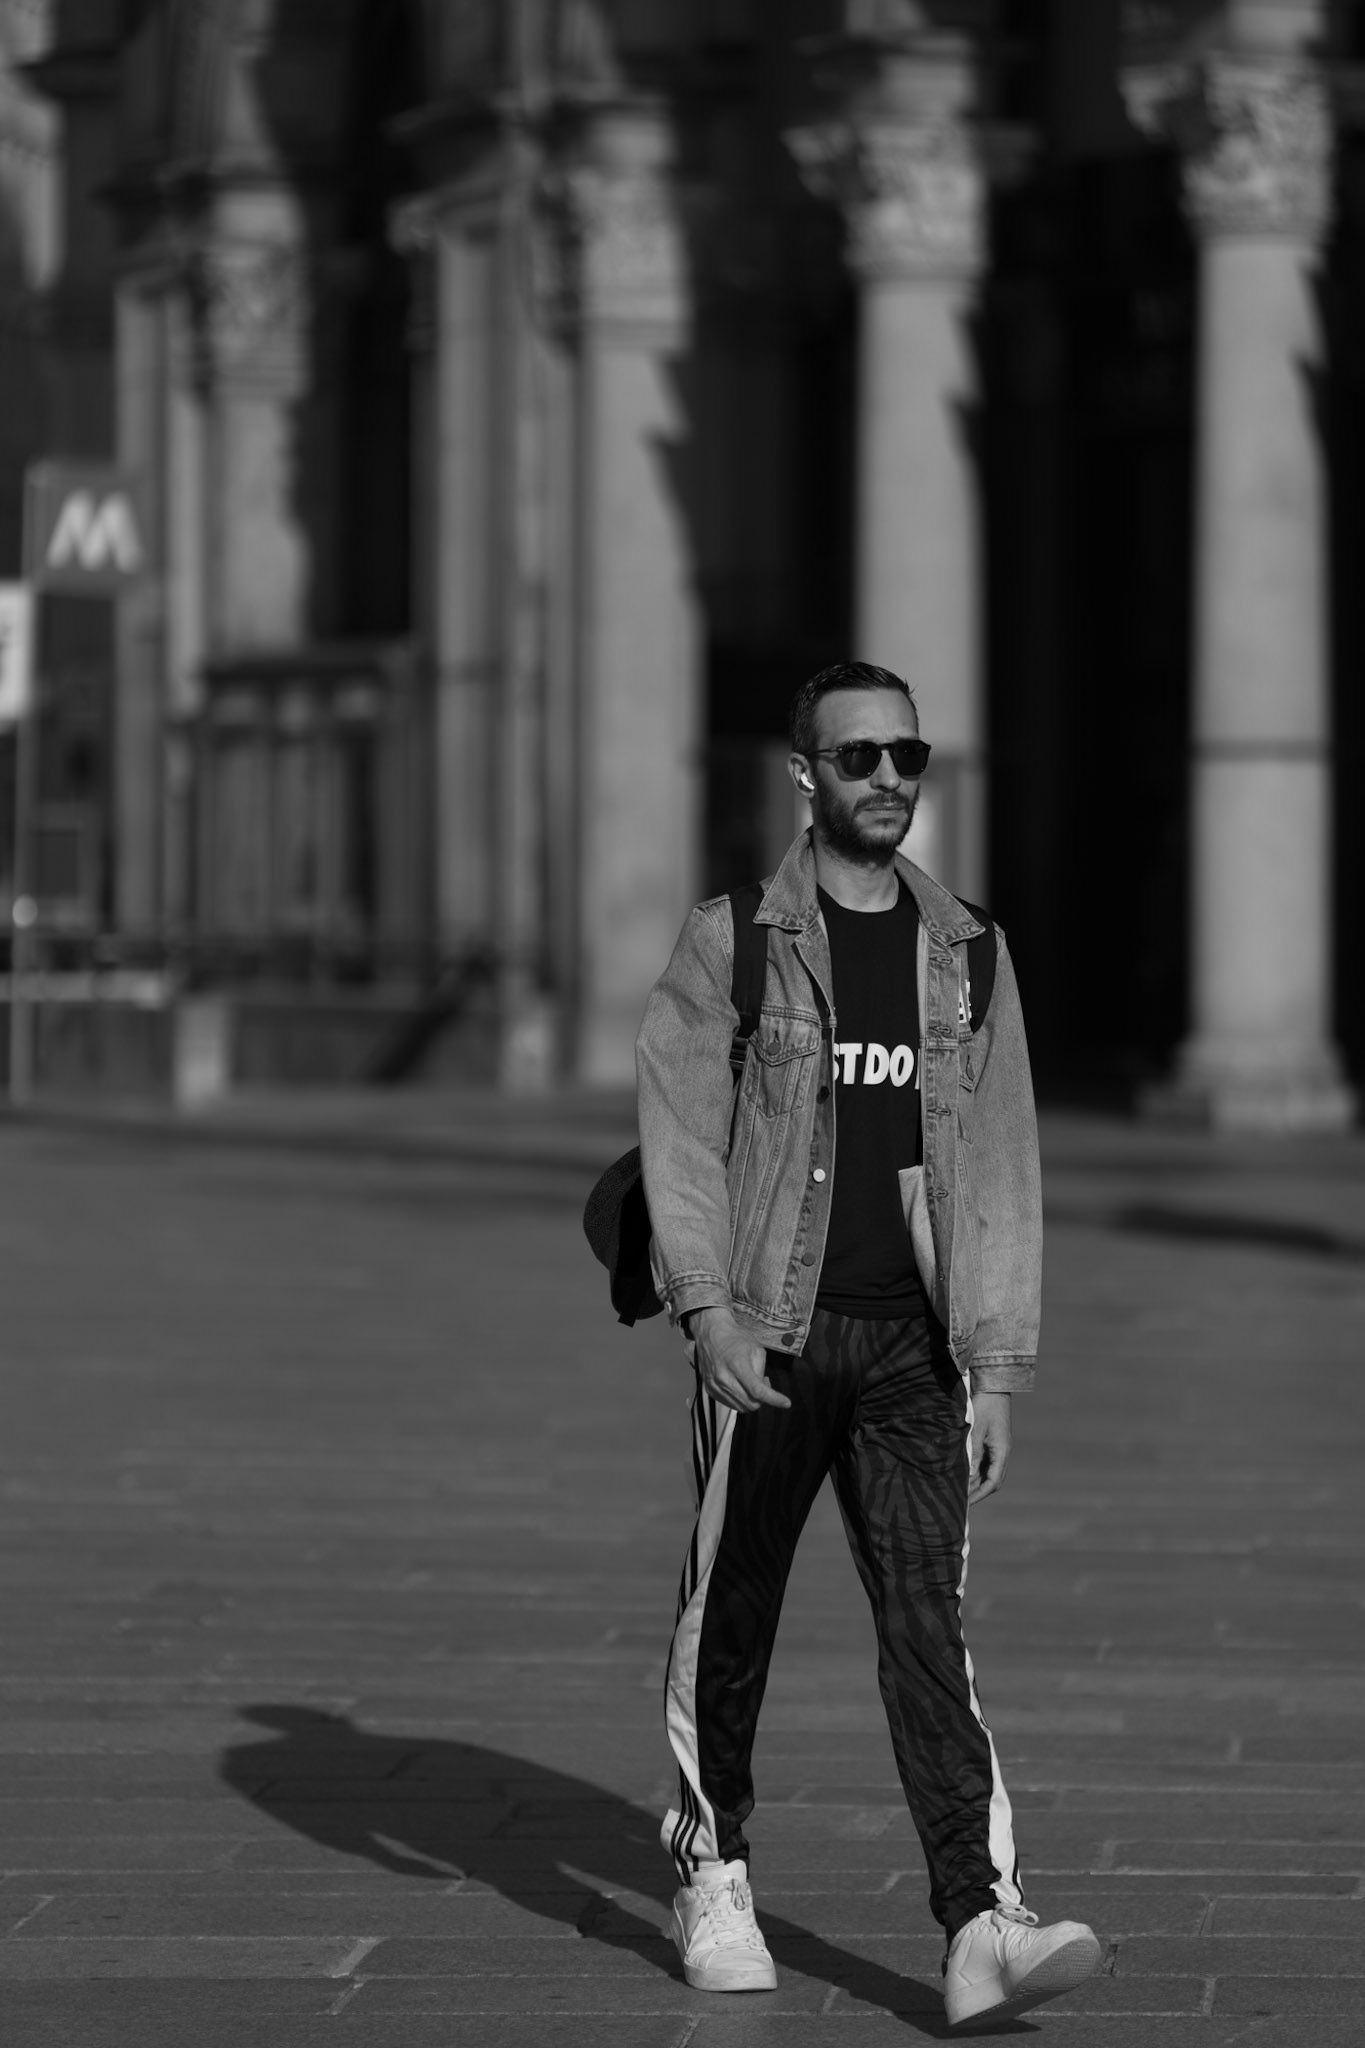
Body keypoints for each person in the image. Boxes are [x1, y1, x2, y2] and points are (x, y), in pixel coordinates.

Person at [635, 662, 1102, 2029]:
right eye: (857, 758)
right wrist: (708, 1307)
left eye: (906, 754)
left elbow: (1000, 1163)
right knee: (733, 1618)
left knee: (925, 1628)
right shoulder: (732, 939)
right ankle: (711, 1865)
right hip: (768, 1333)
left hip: (913, 1347)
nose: (886, 778)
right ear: (805, 777)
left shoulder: (968, 950)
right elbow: (676, 1135)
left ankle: (978, 1921)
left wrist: (996, 1361)